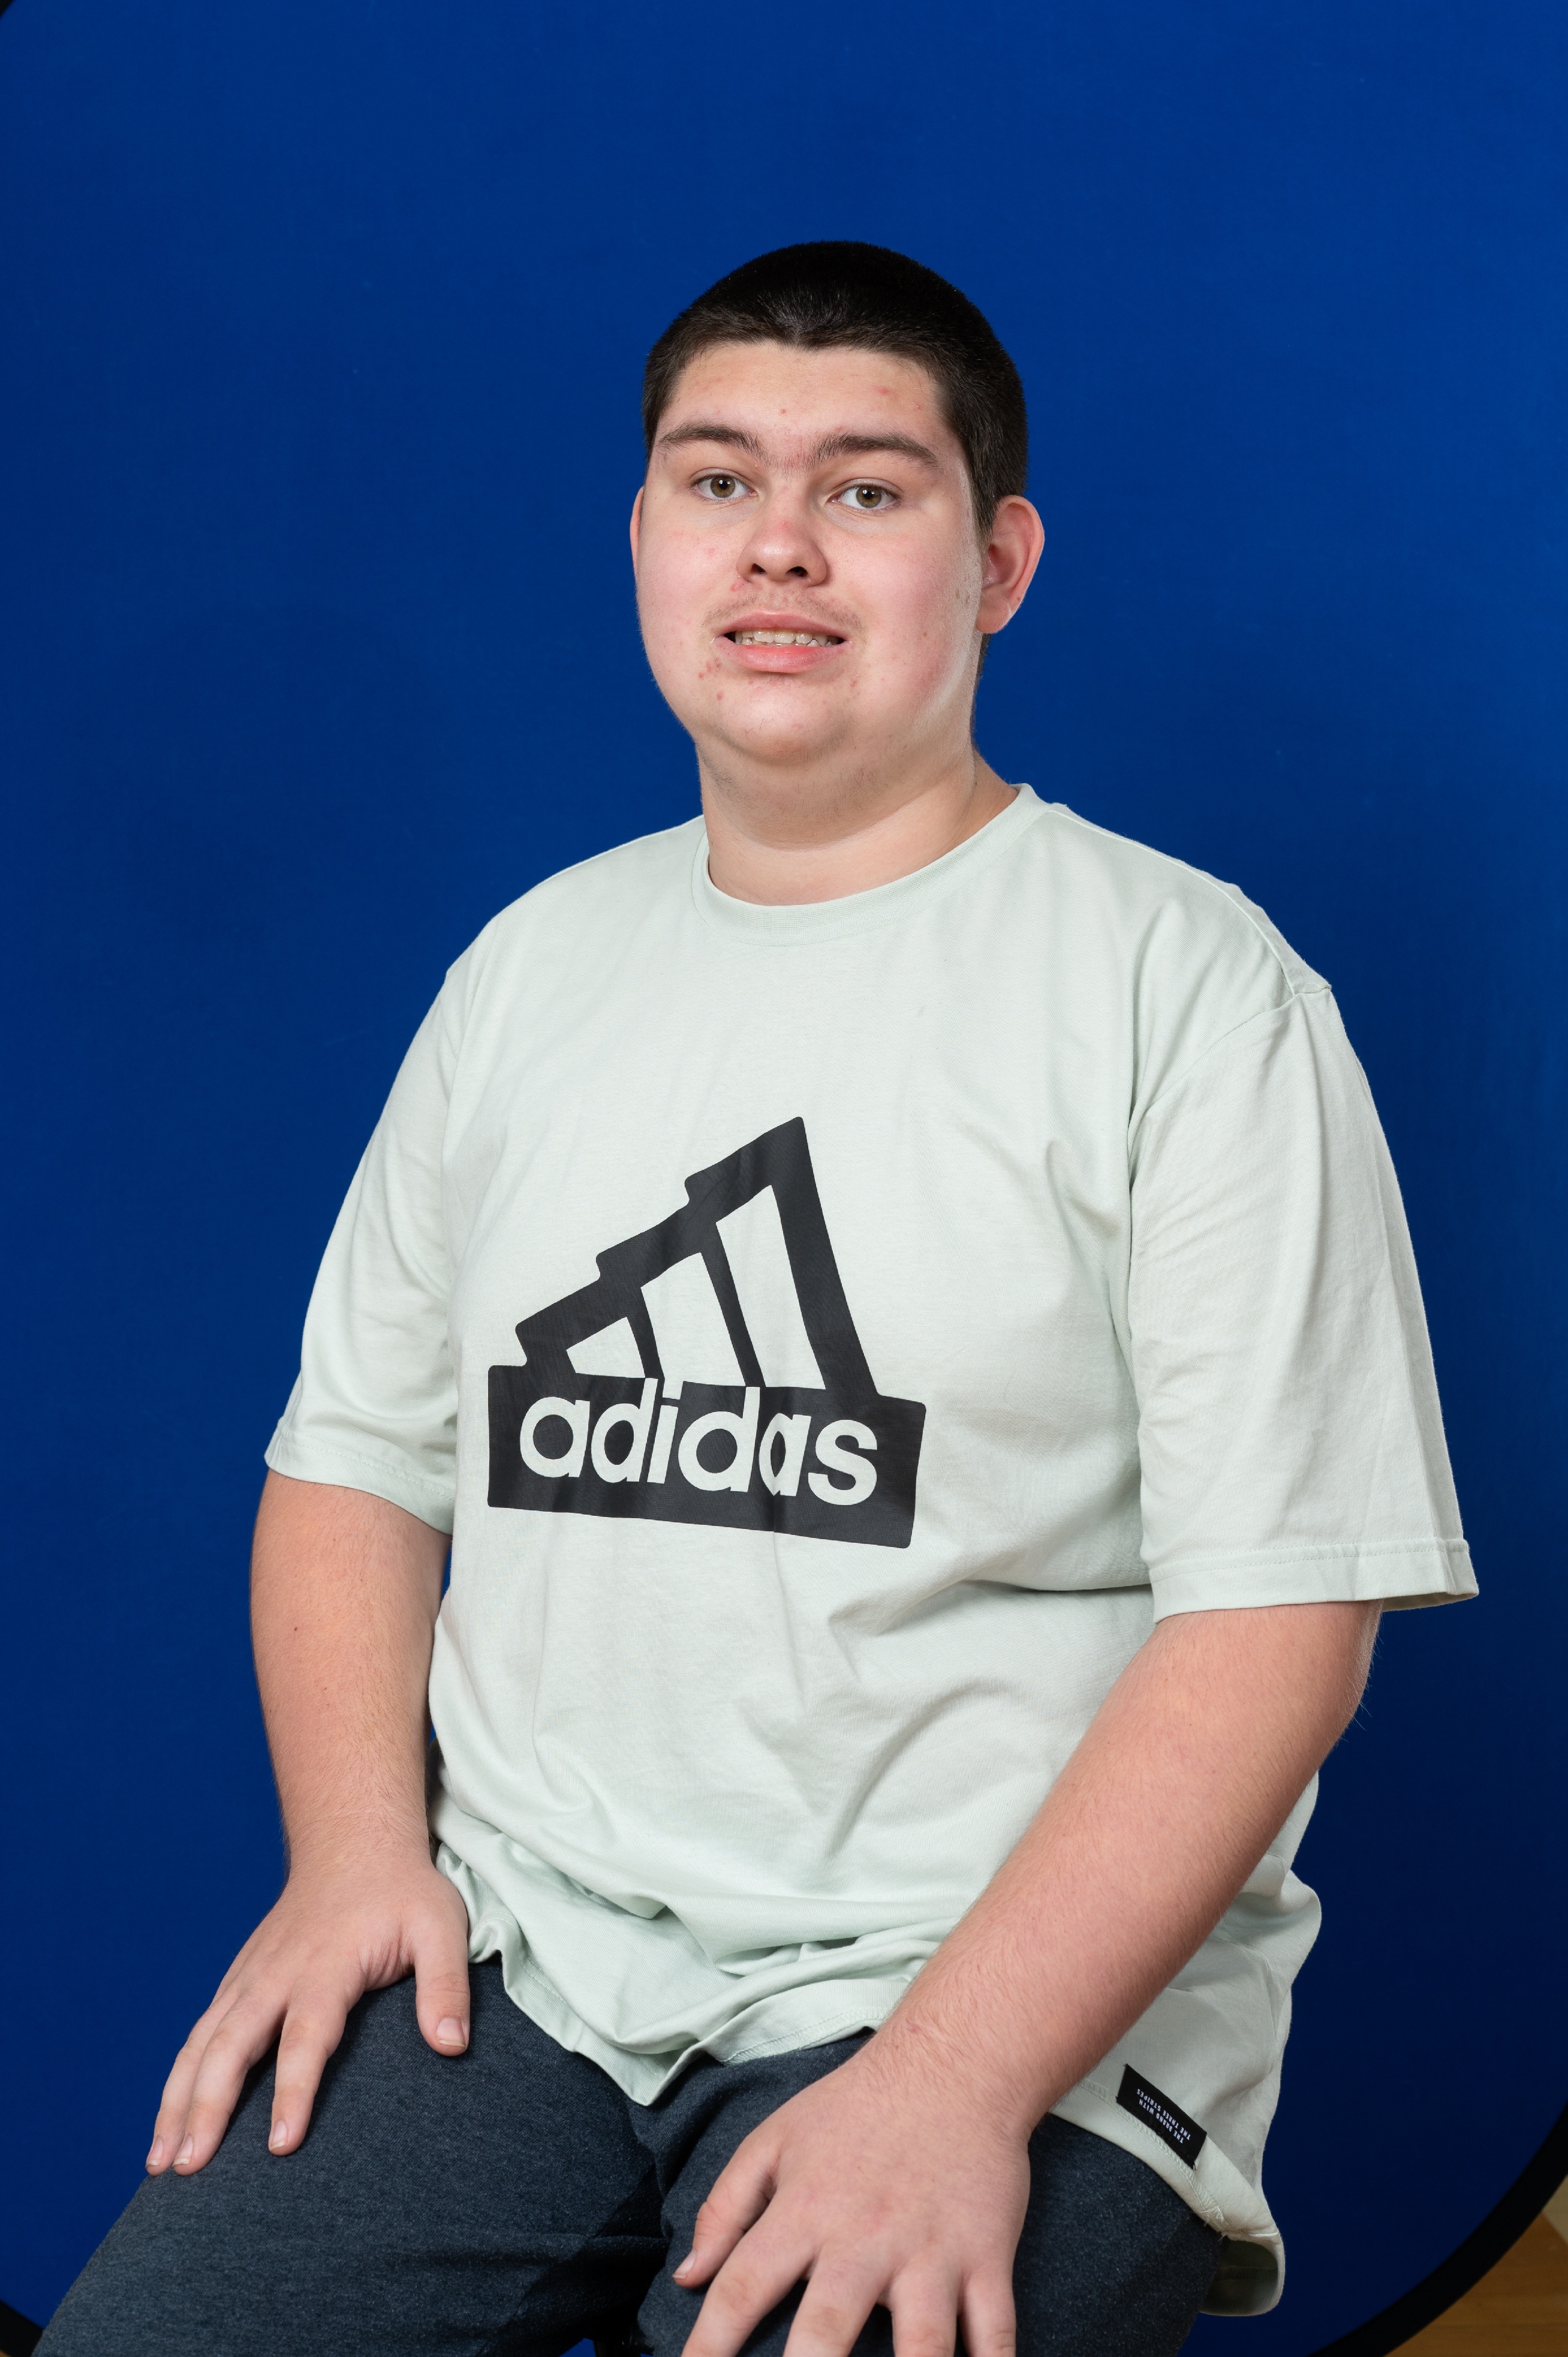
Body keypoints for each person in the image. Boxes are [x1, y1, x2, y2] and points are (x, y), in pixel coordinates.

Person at [40, 242, 1475, 2357]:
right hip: (528, 1955)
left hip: (980, 1983)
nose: (779, 543)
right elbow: (353, 1466)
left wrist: (955, 2078)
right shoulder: (529, 971)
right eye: (718, 481)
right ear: (644, 536)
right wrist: (352, 1858)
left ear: (999, 564)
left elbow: (1281, 1625)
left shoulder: (1192, 991)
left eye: (867, 490)